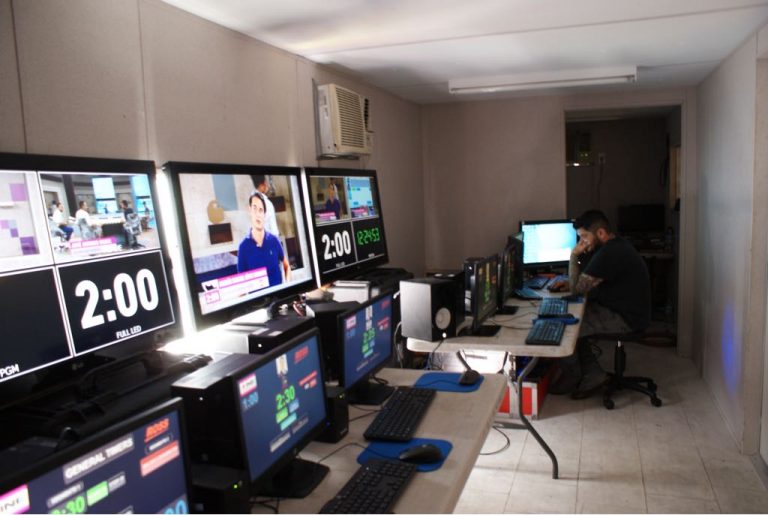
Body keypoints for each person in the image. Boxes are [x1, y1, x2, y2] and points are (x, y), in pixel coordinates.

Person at [548, 210, 651, 398]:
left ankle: (572, 377)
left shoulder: (609, 253)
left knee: (566, 327)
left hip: (626, 318)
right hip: (628, 310)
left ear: (601, 233)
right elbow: (587, 279)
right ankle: (593, 374)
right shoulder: (615, 245)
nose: (582, 242)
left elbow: (577, 289)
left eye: (584, 237)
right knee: (574, 318)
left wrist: (574, 255)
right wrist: (573, 280)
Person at [237, 191, 291, 287]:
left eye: (261, 210)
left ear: (264, 214)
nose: (257, 214)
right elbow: (241, 283)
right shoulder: (243, 247)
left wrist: (287, 284)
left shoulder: (274, 240)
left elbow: (287, 266)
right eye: (254, 208)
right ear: (250, 210)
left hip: (279, 294)